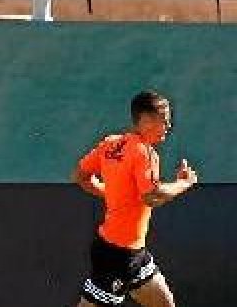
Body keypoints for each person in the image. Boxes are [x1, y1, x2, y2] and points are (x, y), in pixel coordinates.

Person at [71, 90, 198, 307]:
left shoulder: (111, 143)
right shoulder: (144, 152)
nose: (169, 126)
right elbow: (152, 196)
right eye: (165, 121)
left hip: (135, 254)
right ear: (147, 120)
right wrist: (184, 183)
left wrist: (114, 195)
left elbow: (81, 177)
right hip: (117, 255)